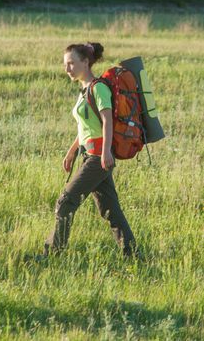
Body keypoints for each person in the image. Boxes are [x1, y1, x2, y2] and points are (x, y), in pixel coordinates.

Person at [41, 42, 138, 259]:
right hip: (89, 155)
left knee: (66, 201)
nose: (68, 69)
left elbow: (107, 122)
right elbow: (85, 127)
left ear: (86, 62)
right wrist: (72, 151)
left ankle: (52, 254)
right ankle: (133, 255)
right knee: (110, 209)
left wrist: (105, 153)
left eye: (72, 63)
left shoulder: (98, 87)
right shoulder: (84, 90)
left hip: (98, 158)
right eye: (66, 64)